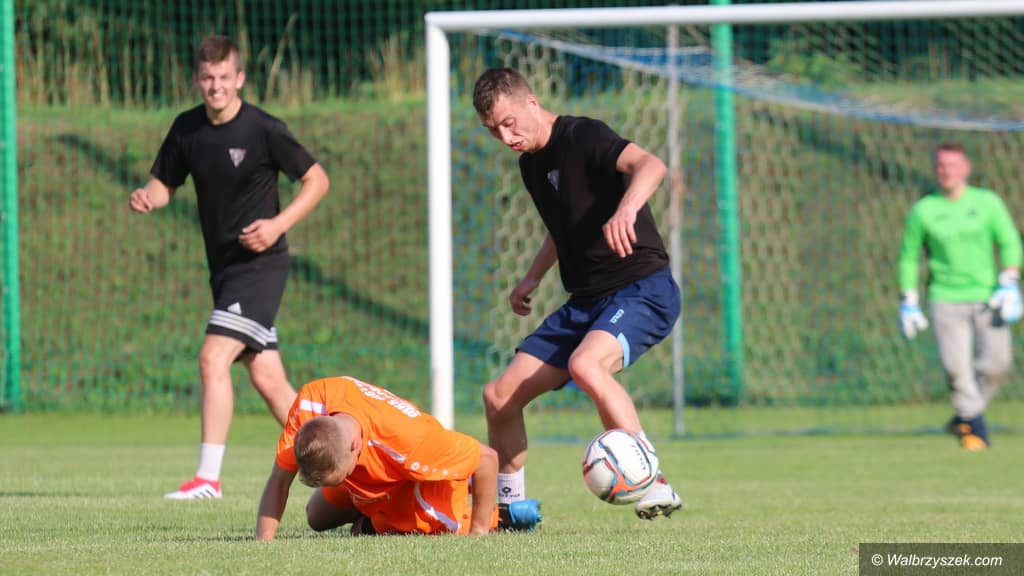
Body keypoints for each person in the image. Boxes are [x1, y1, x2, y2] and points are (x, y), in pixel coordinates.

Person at [471, 68, 683, 520]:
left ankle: (653, 482)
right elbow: (561, 228)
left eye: (509, 122)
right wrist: (532, 277)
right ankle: (509, 509)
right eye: (493, 130)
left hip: (641, 288)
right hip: (586, 303)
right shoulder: (530, 164)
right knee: (499, 396)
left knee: (586, 365)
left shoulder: (583, 135)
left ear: (531, 101)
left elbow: (651, 165)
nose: (505, 137)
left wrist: (626, 210)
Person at [129, 35, 330, 498]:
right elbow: (164, 184)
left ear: (239, 79)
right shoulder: (187, 129)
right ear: (197, 79)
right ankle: (345, 459)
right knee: (269, 381)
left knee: (212, 357)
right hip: (224, 272)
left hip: (260, 267)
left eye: (223, 77)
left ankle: (207, 479)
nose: (215, 86)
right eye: (208, 78)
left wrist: (277, 225)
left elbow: (317, 180)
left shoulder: (263, 129)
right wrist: (147, 197)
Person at [255, 376, 542, 539]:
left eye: (342, 475)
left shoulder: (411, 442)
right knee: (316, 518)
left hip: (412, 482)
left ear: (355, 445)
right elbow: (279, 479)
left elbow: (487, 459)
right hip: (373, 480)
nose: (340, 480)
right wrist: (263, 543)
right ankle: (372, 516)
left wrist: (478, 533)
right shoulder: (309, 404)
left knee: (434, 525)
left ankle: (502, 516)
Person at [898, 141, 1022, 451]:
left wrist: (1010, 279)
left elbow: (1009, 241)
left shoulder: (987, 202)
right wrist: (908, 300)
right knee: (956, 369)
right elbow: (909, 257)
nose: (947, 171)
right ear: (935, 170)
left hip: (988, 297)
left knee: (997, 363)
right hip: (945, 298)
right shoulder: (924, 210)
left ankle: (965, 415)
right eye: (941, 166)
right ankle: (974, 427)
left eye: (953, 165)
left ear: (966, 168)